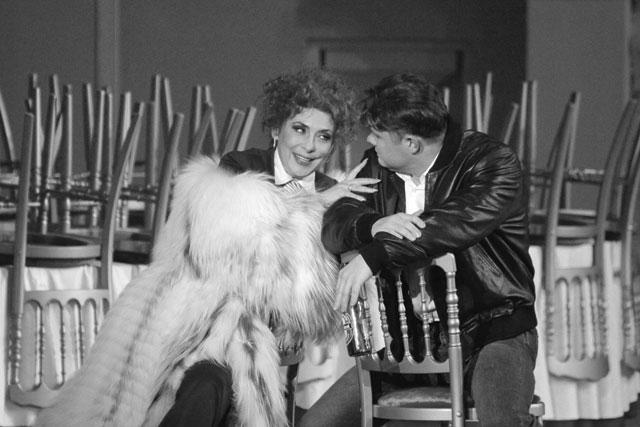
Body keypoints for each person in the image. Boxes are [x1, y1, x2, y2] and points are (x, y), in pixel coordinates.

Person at [311, 73, 538, 427]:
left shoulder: (492, 163)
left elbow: (449, 225)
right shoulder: (378, 166)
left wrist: (374, 255)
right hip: (409, 347)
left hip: (491, 333)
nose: (369, 140)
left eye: (377, 134)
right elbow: (335, 222)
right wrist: (373, 225)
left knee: (501, 421)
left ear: (412, 144)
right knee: (317, 424)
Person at [160, 67, 378, 427]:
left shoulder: (334, 189)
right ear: (277, 129)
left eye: (323, 137)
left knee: (218, 381)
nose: (310, 146)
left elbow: (326, 290)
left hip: (284, 338)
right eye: (300, 129)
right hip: (212, 320)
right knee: (209, 380)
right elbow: (231, 245)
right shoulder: (241, 167)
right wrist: (317, 204)